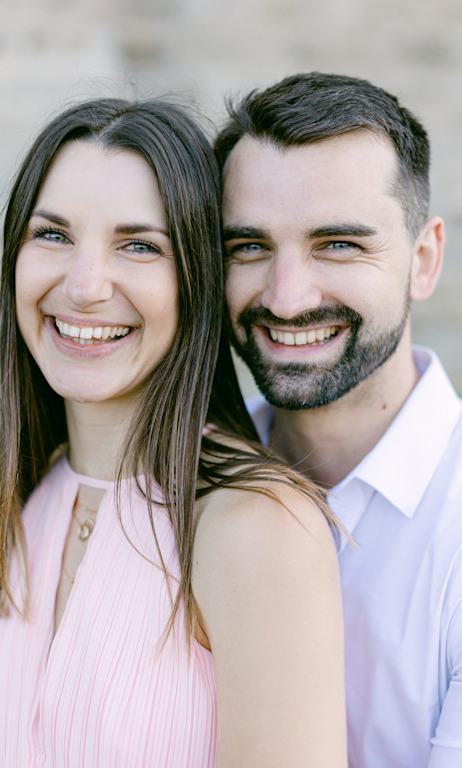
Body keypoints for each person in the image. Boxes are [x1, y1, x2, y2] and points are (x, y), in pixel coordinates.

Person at [0, 97, 347, 767]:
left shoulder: (256, 529)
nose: (84, 286)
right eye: (53, 235)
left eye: (138, 245)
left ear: (195, 280)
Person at [215, 71, 462, 767]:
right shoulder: (182, 481)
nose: (286, 299)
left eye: (338, 245)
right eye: (249, 247)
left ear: (423, 261)